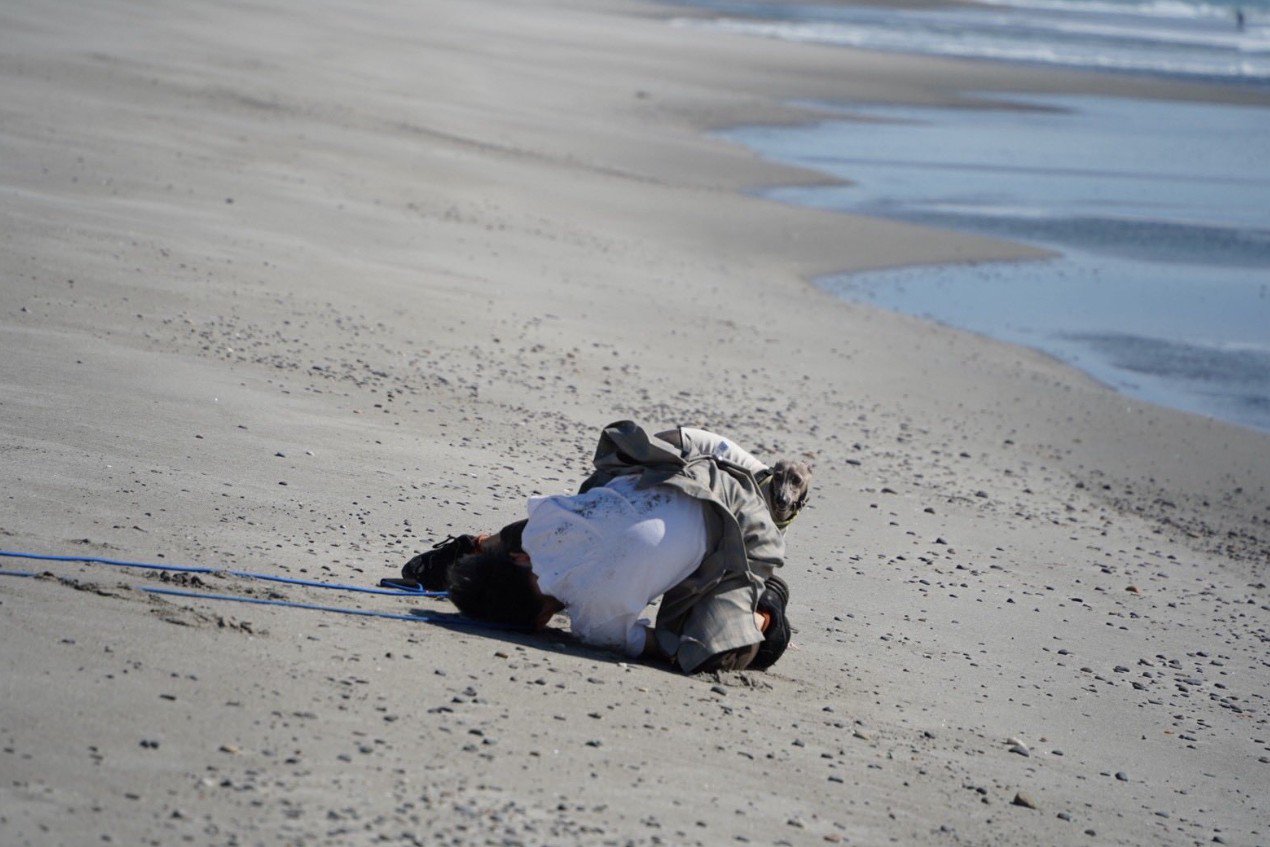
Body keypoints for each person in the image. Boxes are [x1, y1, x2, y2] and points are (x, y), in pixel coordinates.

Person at [401, 421, 803, 673]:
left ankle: (766, 605)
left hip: (740, 525)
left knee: (711, 652)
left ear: (540, 623)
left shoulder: (597, 626)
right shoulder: (542, 531)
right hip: (680, 463)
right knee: (553, 522)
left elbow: (661, 647)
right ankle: (471, 548)